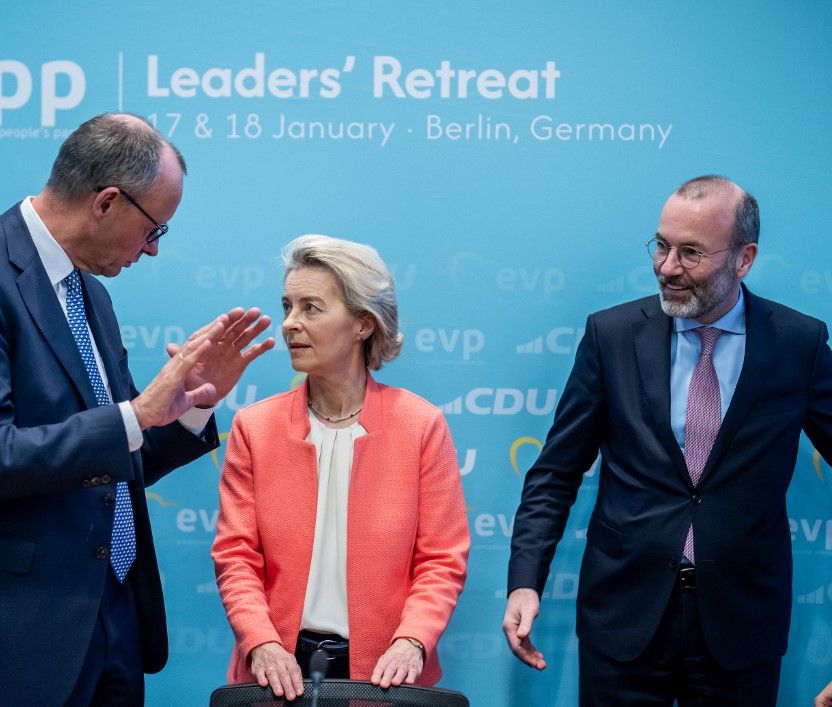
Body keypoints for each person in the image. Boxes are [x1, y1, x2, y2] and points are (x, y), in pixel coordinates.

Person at [0, 113, 275, 706]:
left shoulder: (91, 296)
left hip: (109, 616)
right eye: (154, 228)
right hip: (13, 633)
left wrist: (184, 410)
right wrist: (135, 416)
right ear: (107, 201)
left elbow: (113, 456)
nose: (153, 251)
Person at [504, 175, 832, 705]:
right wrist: (524, 580)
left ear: (743, 259)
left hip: (742, 626)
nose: (667, 267)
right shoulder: (611, 335)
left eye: (691, 252)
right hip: (622, 619)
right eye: (661, 245)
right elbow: (555, 472)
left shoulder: (798, 342)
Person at [211, 235, 470, 698]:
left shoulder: (420, 425)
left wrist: (412, 641)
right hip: (276, 676)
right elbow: (236, 557)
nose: (290, 323)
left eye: (311, 308)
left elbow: (441, 560)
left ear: (363, 324)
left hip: (386, 681)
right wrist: (261, 642)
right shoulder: (255, 426)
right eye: (288, 305)